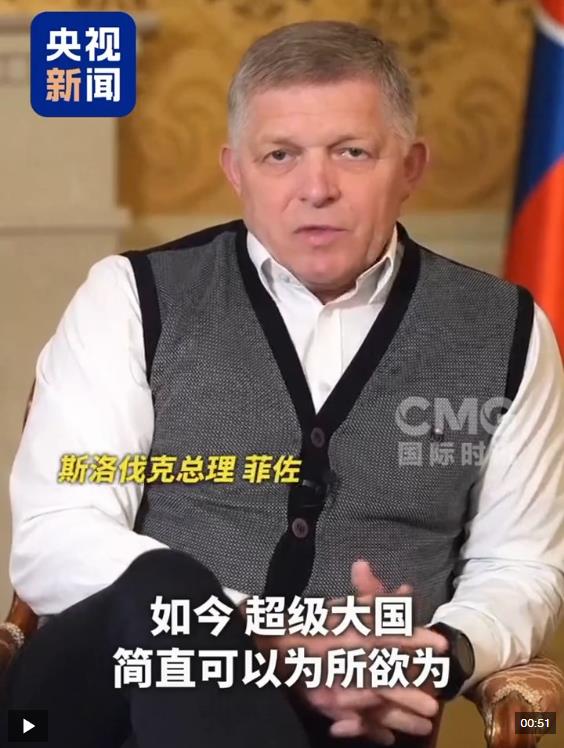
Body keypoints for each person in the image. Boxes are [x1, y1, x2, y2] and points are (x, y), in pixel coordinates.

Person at [2, 19, 564, 748]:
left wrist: (428, 656)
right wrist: (272, 645)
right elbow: (56, 539)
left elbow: (520, 565)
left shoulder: (505, 328)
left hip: (358, 721)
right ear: (236, 170)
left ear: (411, 167)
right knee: (165, 585)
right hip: (110, 709)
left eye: (352, 152)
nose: (316, 189)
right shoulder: (130, 297)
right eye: (280, 155)